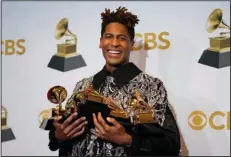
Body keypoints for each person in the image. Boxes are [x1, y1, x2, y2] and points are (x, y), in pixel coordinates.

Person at [48, 6, 181, 156]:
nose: (114, 43)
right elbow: (56, 137)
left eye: (122, 38)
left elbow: (172, 145)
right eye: (109, 36)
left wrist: (127, 139)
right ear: (101, 42)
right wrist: (59, 135)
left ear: (131, 45)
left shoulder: (151, 86)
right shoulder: (83, 86)